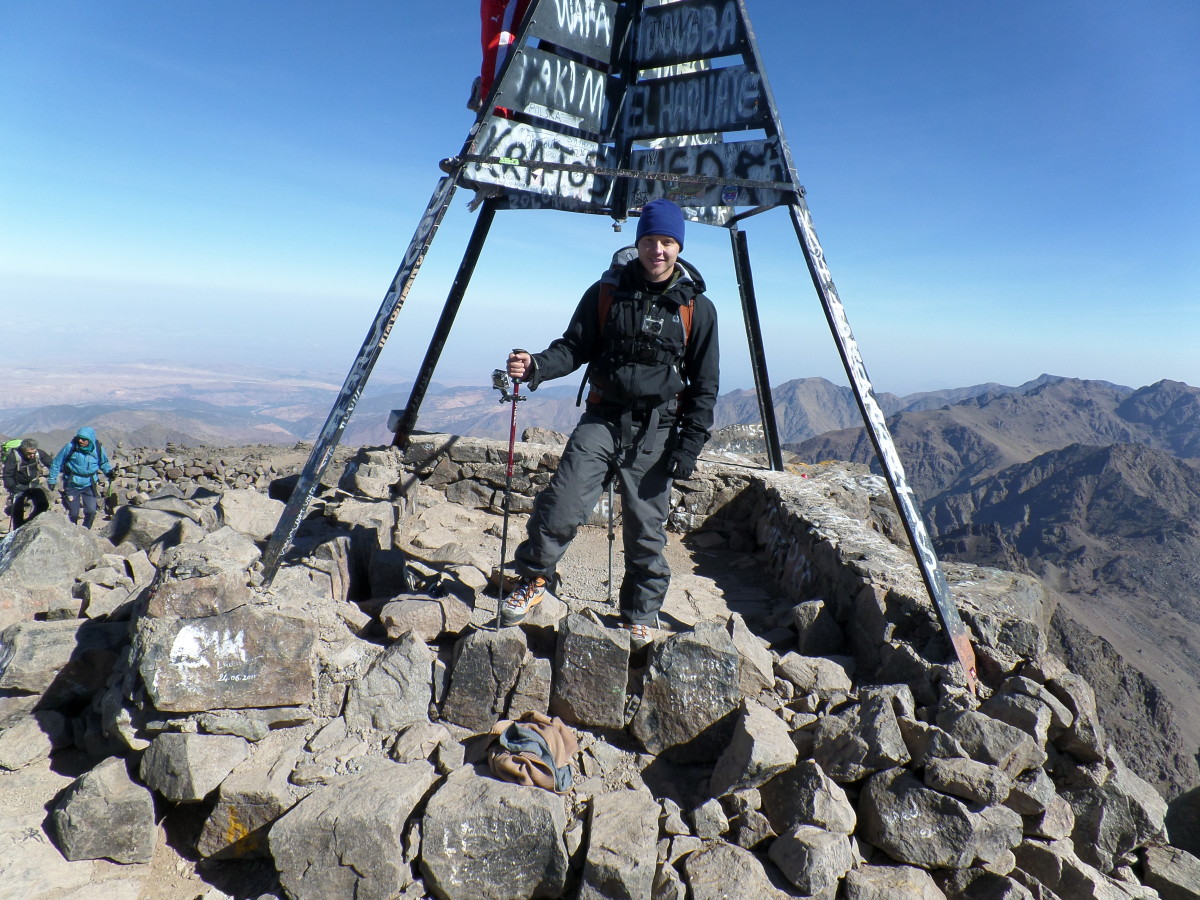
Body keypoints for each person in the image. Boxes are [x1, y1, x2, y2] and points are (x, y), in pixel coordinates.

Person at [501, 198, 719, 640]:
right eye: (650, 240)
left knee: (646, 531)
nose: (657, 250)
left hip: (656, 430)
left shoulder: (698, 309)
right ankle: (534, 579)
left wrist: (688, 446)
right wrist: (537, 365)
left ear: (678, 247)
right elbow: (574, 346)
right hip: (601, 419)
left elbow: (704, 385)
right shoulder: (605, 293)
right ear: (638, 243)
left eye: (667, 241)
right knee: (561, 505)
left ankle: (640, 614)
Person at [47, 426, 115, 529]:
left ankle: (85, 530)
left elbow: (104, 463)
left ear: (90, 439)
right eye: (79, 438)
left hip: (89, 484)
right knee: (73, 513)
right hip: (72, 484)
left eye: (84, 439)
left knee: (91, 511)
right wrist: (52, 480)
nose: (80, 441)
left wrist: (109, 472)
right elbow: (57, 463)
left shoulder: (98, 449)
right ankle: (72, 531)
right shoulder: (70, 447)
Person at [3, 438, 53, 527]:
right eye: (29, 453)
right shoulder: (13, 457)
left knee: (43, 505)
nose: (32, 455)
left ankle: (29, 524)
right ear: (23, 450)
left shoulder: (39, 453)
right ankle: (18, 530)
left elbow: (52, 464)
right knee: (17, 511)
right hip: (18, 486)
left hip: (33, 484)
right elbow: (7, 474)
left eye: (34, 452)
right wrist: (12, 486)